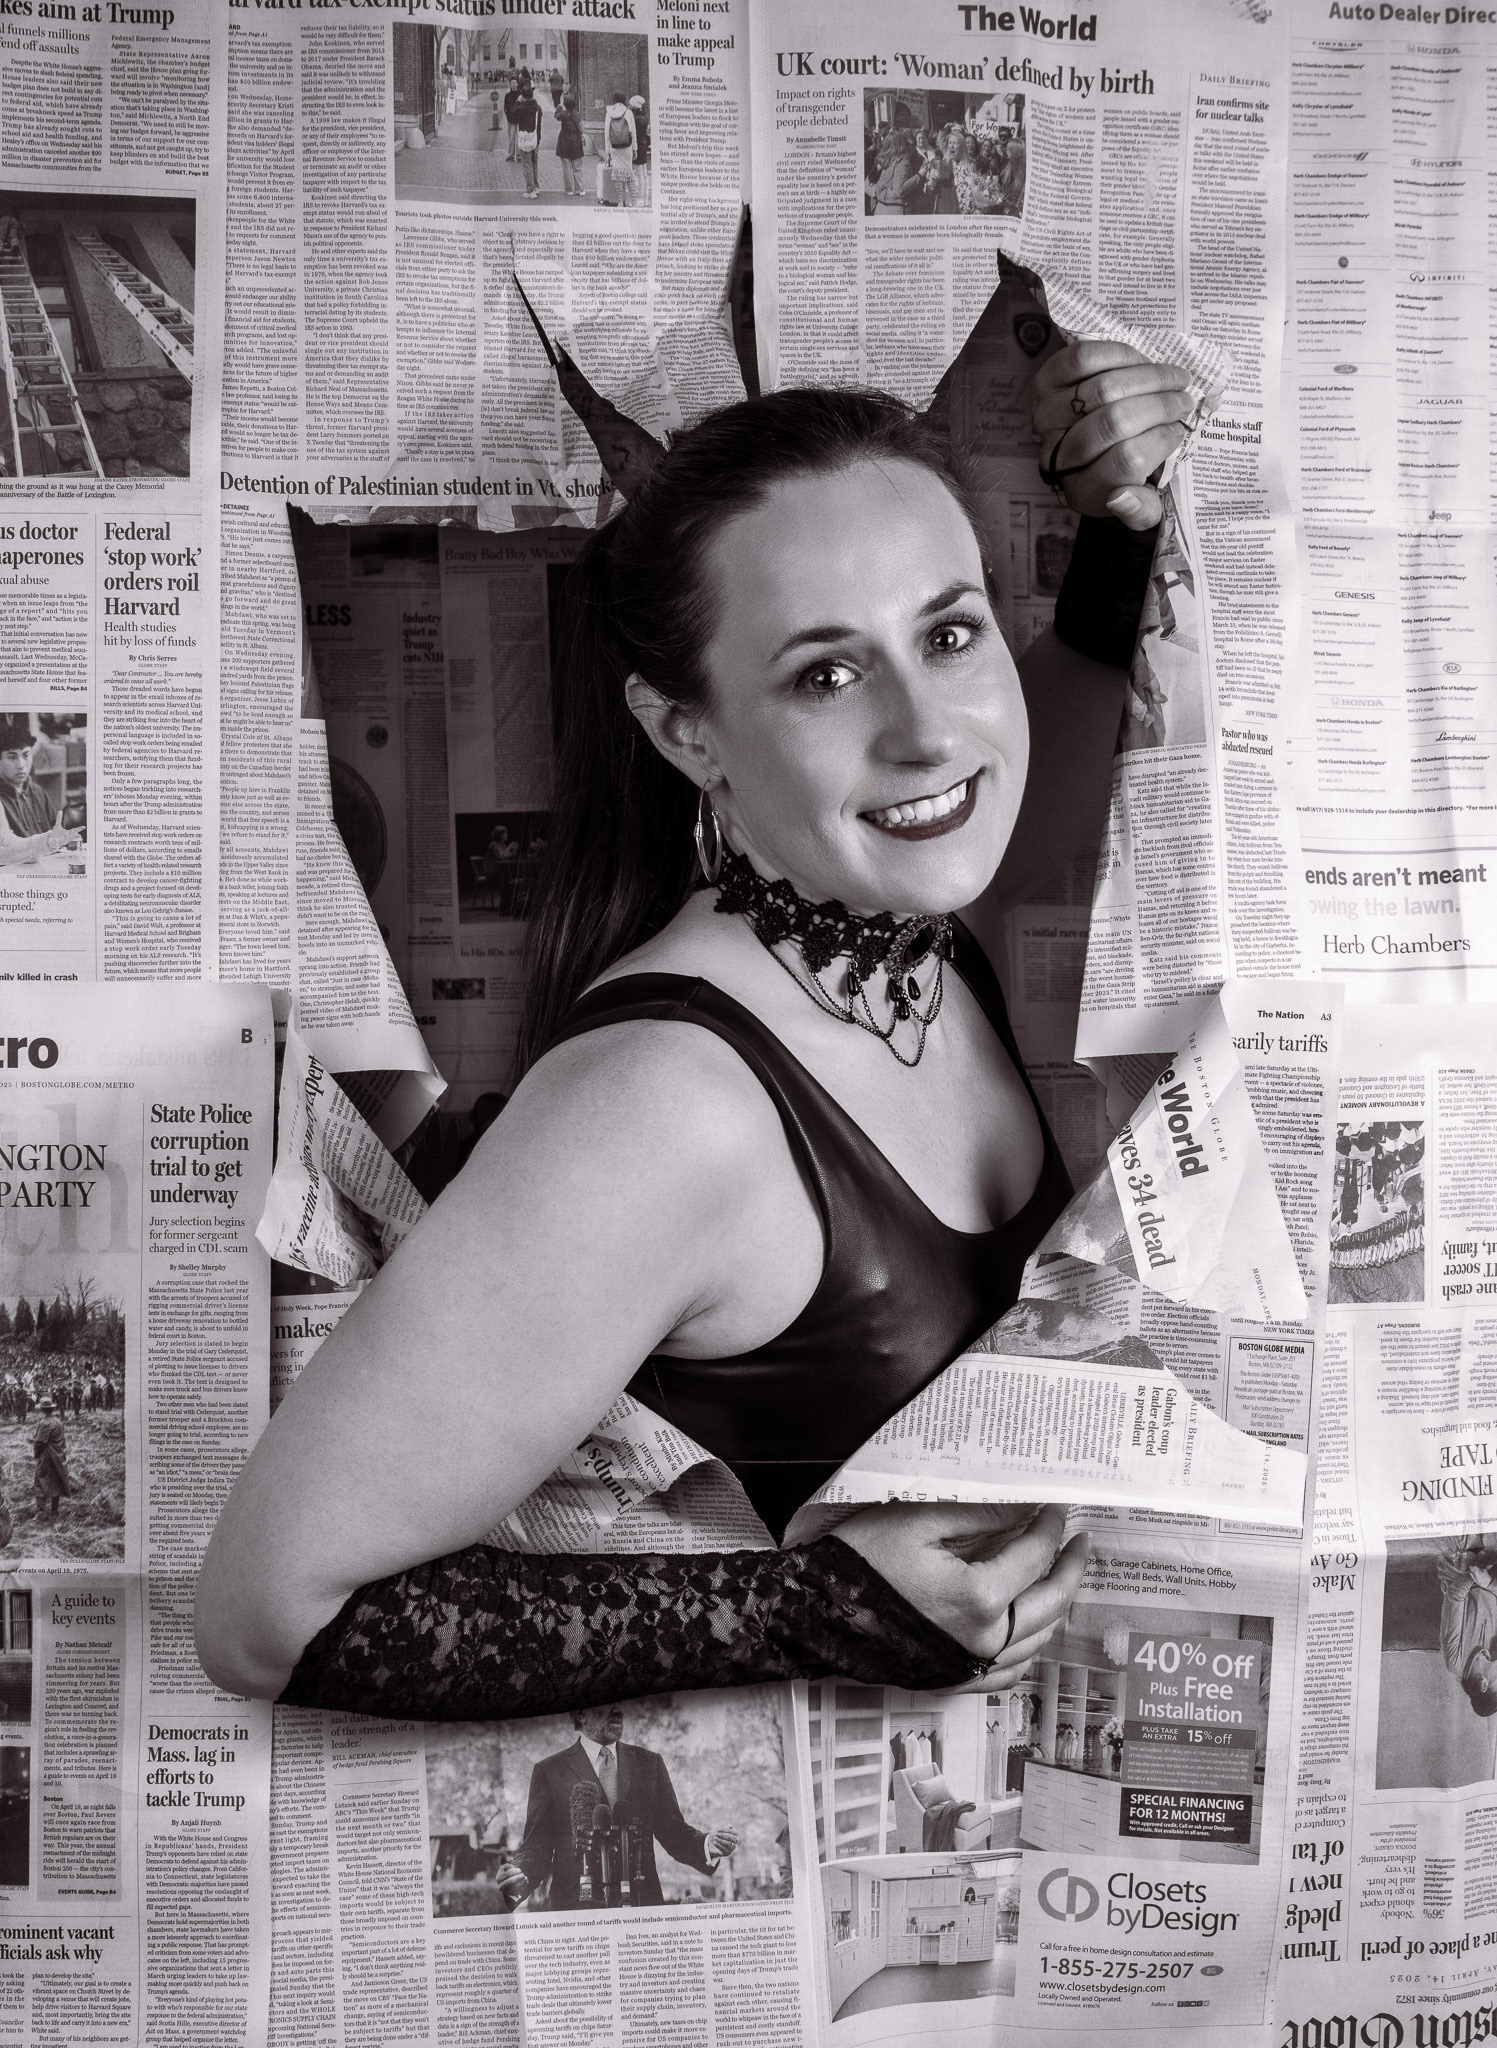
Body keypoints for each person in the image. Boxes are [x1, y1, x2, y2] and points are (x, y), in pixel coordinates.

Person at [197, 346, 1193, 1720]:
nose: (927, 735)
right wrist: (807, 1609)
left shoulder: (907, 925)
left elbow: (1031, 758)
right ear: (687, 735)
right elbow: (264, 1615)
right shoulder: (666, 1106)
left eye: (950, 636)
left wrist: (1126, 528)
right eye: (826, 676)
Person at [511, 1703, 738, 1909]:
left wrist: (707, 1844)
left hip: (642, 1908)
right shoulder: (549, 1771)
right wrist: (517, 1875)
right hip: (577, 1913)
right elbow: (536, 1846)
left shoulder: (650, 1763)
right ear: (581, 1713)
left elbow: (673, 1831)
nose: (619, 1710)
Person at [0, 716, 77, 866]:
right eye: (12, 757)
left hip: (49, 864)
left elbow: (57, 833)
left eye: (26, 755)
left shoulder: (38, 791)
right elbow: (7, 842)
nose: (21, 765)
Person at [1439, 1537, 1497, 1716]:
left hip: (1460, 1569)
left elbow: (1454, 1596)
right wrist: (1487, 1582)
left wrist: (1475, 1575)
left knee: (1470, 1535)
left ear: (1484, 1684)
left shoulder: (1455, 1661)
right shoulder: (1492, 1652)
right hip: (1488, 1572)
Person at [599, 86, 637, 207]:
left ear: (613, 100)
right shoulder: (628, 112)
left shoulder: (609, 113)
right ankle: (634, 201)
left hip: (614, 147)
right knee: (629, 173)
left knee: (617, 174)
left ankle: (620, 201)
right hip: (627, 146)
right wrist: (635, 148)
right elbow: (633, 132)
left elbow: (606, 134)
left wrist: (607, 152)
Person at [32, 1397, 68, 1523]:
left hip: (46, 1457)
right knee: (55, 1482)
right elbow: (62, 1440)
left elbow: (40, 1442)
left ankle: (41, 1513)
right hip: (57, 1457)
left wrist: (36, 1453)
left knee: (39, 1483)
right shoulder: (58, 1422)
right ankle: (54, 1511)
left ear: (42, 1409)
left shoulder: (44, 1423)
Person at [513, 87, 542, 196]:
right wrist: (538, 139)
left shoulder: (521, 108)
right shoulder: (538, 108)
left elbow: (512, 115)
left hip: (525, 139)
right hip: (535, 139)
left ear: (523, 96)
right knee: (534, 163)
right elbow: (539, 124)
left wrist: (517, 101)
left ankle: (531, 190)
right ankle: (536, 186)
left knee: (527, 164)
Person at [555, 91, 584, 197]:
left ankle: (569, 189)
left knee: (566, 168)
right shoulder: (577, 114)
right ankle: (579, 189)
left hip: (564, 143)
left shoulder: (563, 114)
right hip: (576, 143)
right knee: (577, 168)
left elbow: (556, 116)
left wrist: (560, 105)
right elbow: (581, 129)